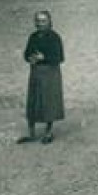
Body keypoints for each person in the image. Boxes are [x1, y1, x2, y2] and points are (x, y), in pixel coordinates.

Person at [21, 11, 65, 144]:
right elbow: (27, 53)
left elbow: (59, 58)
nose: (40, 24)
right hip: (35, 72)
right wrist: (30, 58)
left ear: (49, 22)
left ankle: (48, 132)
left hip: (50, 73)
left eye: (43, 21)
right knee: (33, 101)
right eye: (38, 21)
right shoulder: (33, 37)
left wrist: (44, 57)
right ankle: (31, 133)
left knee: (49, 102)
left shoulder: (54, 37)